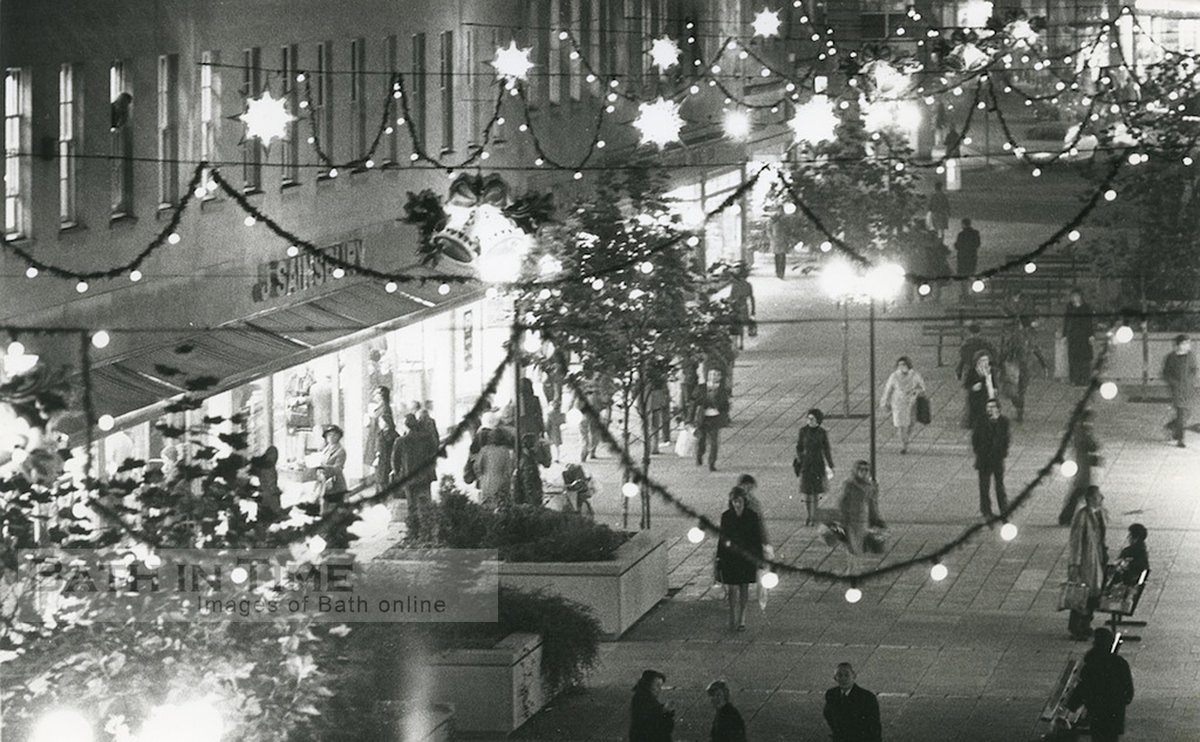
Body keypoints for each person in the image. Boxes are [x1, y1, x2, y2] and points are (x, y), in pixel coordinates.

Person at [1067, 628, 1134, 742]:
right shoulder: (1120, 663)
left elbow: (1084, 687)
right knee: (1111, 738)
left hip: (1097, 711)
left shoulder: (1092, 664)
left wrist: (1072, 705)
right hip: (1115, 712)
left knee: (1098, 737)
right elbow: (1128, 688)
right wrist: (1124, 700)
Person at [716, 488, 765, 631]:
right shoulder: (726, 516)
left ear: (744, 502)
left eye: (739, 501)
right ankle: (732, 614)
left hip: (746, 556)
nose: (737, 504)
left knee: (744, 586)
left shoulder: (751, 516)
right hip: (731, 556)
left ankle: (742, 617)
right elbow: (722, 537)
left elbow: (757, 538)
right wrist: (719, 557)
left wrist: (759, 558)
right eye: (734, 502)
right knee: (732, 587)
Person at [1067, 486, 1109, 641]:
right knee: (1081, 594)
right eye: (1099, 496)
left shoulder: (1099, 514)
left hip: (1097, 559)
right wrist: (1075, 564)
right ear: (1090, 498)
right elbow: (1075, 542)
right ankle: (1076, 627)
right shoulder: (1082, 516)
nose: (1102, 498)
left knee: (1093, 594)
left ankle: (1086, 624)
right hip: (1086, 562)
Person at [394, 413, 439, 541]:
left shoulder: (401, 441)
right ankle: (428, 531)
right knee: (425, 502)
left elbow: (395, 461)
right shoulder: (427, 438)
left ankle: (414, 532)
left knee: (411, 505)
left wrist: (398, 474)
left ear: (405, 426)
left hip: (409, 477)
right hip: (425, 476)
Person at [998, 316, 1048, 422]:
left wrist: (999, 363)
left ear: (1020, 324)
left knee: (1011, 390)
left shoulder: (1015, 336)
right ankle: (1020, 412)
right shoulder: (1031, 337)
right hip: (1026, 367)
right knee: (1022, 391)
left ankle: (1018, 407)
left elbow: (1007, 350)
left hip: (1015, 366)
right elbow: (1037, 351)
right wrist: (1044, 365)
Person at [1058, 410, 1099, 526]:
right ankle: (1066, 517)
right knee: (1081, 491)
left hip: (1082, 462)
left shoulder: (1080, 429)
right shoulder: (1083, 431)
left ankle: (1066, 517)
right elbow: (1091, 446)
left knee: (1079, 492)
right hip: (1083, 463)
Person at [795, 408, 835, 527]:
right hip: (806, 464)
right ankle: (809, 515)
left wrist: (830, 464)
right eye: (808, 418)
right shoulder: (803, 431)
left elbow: (826, 449)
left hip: (817, 464)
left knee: (816, 492)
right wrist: (800, 457)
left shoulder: (822, 432)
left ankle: (815, 515)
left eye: (812, 418)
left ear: (818, 420)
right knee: (807, 492)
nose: (809, 420)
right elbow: (799, 446)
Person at [972, 398, 1010, 520]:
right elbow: (975, 439)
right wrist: (979, 452)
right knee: (984, 486)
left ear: (998, 409)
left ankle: (1004, 509)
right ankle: (986, 510)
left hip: (997, 459)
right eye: (988, 407)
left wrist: (1003, 453)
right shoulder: (980, 420)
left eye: (992, 407)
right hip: (984, 459)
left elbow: (1005, 439)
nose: (989, 409)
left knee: (999, 486)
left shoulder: (1003, 421)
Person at [823, 663, 882, 742]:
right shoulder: (831, 694)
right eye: (839, 675)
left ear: (854, 676)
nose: (843, 679)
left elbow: (874, 726)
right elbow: (828, 714)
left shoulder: (867, 697)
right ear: (835, 678)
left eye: (847, 675)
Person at [838, 461, 878, 574]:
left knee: (857, 545)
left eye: (866, 470)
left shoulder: (870, 485)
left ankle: (853, 568)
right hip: (850, 519)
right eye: (861, 470)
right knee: (852, 545)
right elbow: (841, 501)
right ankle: (852, 568)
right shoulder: (849, 484)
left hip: (862, 519)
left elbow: (872, 503)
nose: (864, 473)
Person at [881, 356, 926, 454]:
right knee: (900, 425)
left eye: (904, 364)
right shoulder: (894, 376)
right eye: (900, 365)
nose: (902, 367)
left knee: (910, 423)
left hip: (911, 402)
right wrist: (884, 402)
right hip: (898, 403)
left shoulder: (915, 375)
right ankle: (904, 445)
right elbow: (888, 389)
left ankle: (906, 439)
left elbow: (922, 387)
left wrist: (915, 392)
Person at [1161, 333, 1197, 448]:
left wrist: (1191, 380)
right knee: (1181, 413)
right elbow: (1166, 373)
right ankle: (1180, 439)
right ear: (1179, 345)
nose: (1188, 345)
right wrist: (1174, 383)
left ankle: (1171, 427)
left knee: (1188, 413)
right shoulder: (1171, 357)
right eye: (1185, 343)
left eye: (1189, 343)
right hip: (1177, 390)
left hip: (1188, 389)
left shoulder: (1190, 356)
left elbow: (1194, 369)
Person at [691, 370, 731, 472]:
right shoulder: (701, 388)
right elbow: (694, 402)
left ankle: (712, 462)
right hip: (703, 418)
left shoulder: (723, 390)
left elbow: (725, 405)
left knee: (714, 442)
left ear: (720, 377)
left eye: (717, 374)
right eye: (712, 374)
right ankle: (699, 454)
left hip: (715, 418)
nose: (714, 377)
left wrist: (722, 413)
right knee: (701, 440)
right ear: (708, 376)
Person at [366, 386, 399, 495]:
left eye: (376, 394)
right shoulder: (381, 407)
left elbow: (387, 425)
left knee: (382, 469)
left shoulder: (384, 408)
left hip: (381, 442)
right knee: (379, 469)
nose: (374, 395)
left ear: (381, 395)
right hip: (377, 439)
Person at [629, 670, 674, 742]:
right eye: (657, 685)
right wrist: (664, 711)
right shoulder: (641, 700)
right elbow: (649, 718)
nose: (659, 689)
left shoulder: (644, 699)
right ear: (648, 684)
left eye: (660, 686)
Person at [1062, 289, 1095, 387]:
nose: (1075, 298)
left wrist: (1091, 335)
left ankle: (1084, 379)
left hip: (1084, 336)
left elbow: (1089, 322)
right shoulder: (1070, 307)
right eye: (1073, 296)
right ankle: (1074, 379)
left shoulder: (1086, 307)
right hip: (1073, 336)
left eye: (1077, 296)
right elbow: (1066, 322)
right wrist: (1064, 335)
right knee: (1073, 359)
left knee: (1084, 359)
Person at [475, 428, 514, 510]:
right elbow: (508, 470)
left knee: (485, 507)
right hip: (500, 483)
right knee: (500, 507)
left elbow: (477, 466)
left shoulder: (484, 450)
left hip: (485, 482)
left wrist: (481, 477)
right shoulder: (505, 451)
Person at [313, 425, 347, 514]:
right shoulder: (326, 449)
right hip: (324, 482)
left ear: (339, 437)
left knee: (334, 510)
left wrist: (323, 468)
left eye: (334, 435)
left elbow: (338, 468)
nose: (331, 437)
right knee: (324, 508)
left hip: (335, 483)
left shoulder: (340, 451)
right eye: (329, 435)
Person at [962, 350, 998, 430]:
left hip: (987, 392)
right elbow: (966, 384)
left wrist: (995, 388)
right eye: (982, 360)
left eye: (986, 360)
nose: (984, 362)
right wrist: (973, 387)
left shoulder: (990, 370)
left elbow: (994, 381)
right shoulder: (972, 371)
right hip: (976, 394)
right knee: (977, 406)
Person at [513, 432, 550, 506]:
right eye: (537, 444)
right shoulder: (527, 462)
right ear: (531, 446)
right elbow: (528, 485)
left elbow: (547, 463)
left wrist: (545, 448)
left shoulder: (530, 455)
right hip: (530, 500)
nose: (538, 446)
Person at [1109, 523, 1149, 588]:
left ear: (1135, 538)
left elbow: (1118, 564)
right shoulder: (1143, 552)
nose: (1128, 537)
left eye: (1130, 535)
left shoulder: (1128, 551)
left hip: (1127, 582)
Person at [728, 266, 756, 350]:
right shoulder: (748, 285)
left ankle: (736, 343)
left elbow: (731, 296)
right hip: (744, 306)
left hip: (735, 306)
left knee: (736, 325)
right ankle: (741, 342)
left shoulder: (735, 285)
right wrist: (753, 310)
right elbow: (751, 298)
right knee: (741, 325)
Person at [953, 218, 981, 299]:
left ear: (963, 224)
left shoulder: (961, 234)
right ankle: (972, 291)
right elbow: (977, 244)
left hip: (963, 257)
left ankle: (965, 292)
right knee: (971, 273)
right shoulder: (975, 233)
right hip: (972, 256)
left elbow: (957, 245)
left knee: (963, 275)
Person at [768, 213, 789, 279]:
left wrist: (786, 238)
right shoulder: (771, 222)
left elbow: (787, 230)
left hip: (782, 241)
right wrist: (772, 238)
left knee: (782, 257)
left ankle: (781, 272)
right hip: (776, 241)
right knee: (778, 256)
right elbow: (769, 231)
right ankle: (778, 272)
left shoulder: (784, 221)